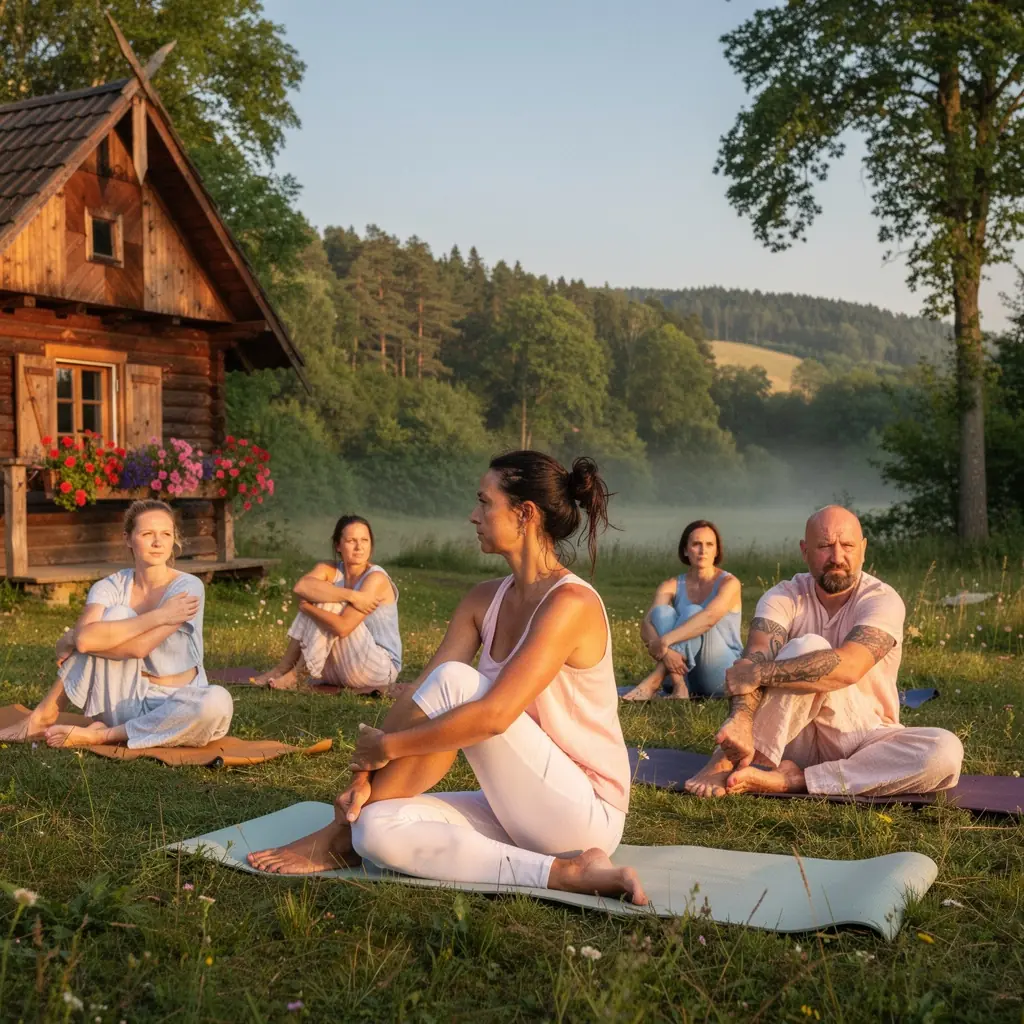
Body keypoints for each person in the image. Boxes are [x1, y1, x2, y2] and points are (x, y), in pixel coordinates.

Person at [248, 451, 646, 905]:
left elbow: (493, 716)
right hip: (515, 802)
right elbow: (423, 691)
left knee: (460, 682)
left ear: (525, 513)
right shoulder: (482, 599)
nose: (473, 515)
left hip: (582, 811)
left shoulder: (570, 603)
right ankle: (563, 873)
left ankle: (336, 835)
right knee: (375, 831)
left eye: (484, 502)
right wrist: (366, 771)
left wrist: (390, 748)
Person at [685, 505, 964, 799]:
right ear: (805, 551)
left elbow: (850, 667)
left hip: (861, 735)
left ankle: (797, 780)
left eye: (847, 546)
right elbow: (755, 658)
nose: (837, 557)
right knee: (810, 646)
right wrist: (740, 720)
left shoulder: (882, 599)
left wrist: (757, 672)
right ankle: (727, 758)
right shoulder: (784, 595)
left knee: (944, 752)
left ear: (863, 549)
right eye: (825, 546)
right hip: (791, 734)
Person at [0, 499, 232, 749]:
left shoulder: (187, 587)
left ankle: (102, 735)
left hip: (180, 702)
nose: (158, 542)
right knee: (117, 615)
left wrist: (74, 640)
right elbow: (86, 639)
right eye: (147, 534)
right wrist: (160, 615)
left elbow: (140, 647)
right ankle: (44, 716)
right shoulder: (110, 586)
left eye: (166, 534)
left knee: (217, 701)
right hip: (123, 700)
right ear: (128, 538)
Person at [249, 515, 401, 693]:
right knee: (322, 594)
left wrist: (307, 607)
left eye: (364, 540)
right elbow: (301, 587)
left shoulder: (376, 578)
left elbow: (343, 627)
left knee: (326, 601)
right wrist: (352, 596)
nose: (359, 547)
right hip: (337, 667)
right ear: (338, 546)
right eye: (351, 541)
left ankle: (297, 675)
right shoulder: (331, 570)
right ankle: (282, 669)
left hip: (378, 670)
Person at [622, 520, 742, 700]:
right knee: (661, 613)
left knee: (694, 613)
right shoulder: (670, 585)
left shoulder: (729, 583)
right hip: (684, 671)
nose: (703, 550)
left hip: (722, 673)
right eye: (696, 544)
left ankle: (656, 679)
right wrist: (666, 650)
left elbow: (709, 617)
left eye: (709, 544)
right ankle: (679, 686)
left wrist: (665, 641)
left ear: (717, 550)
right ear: (685, 550)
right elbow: (646, 624)